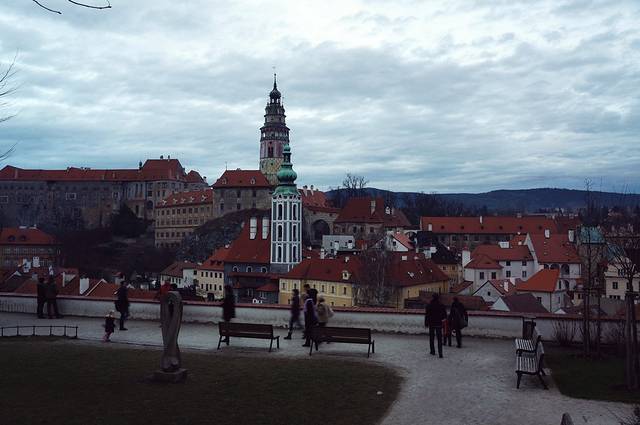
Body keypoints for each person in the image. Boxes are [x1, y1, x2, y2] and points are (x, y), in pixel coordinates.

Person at [424, 293, 447, 358]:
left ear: (433, 297)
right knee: (439, 339)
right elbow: (444, 315)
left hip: (431, 323)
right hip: (438, 324)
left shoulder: (429, 305)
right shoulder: (441, 305)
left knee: (431, 338)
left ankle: (432, 351)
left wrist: (426, 323)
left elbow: (427, 315)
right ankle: (440, 353)